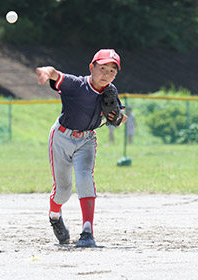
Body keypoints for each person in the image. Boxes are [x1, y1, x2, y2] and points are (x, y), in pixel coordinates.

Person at [36, 49, 127, 247]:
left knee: (85, 177)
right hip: (61, 137)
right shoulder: (76, 85)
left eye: (112, 71)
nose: (107, 74)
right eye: (103, 68)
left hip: (87, 140)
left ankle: (87, 232)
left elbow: (119, 118)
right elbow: (55, 73)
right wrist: (46, 70)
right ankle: (54, 216)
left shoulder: (110, 91)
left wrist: (118, 118)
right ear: (91, 67)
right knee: (63, 191)